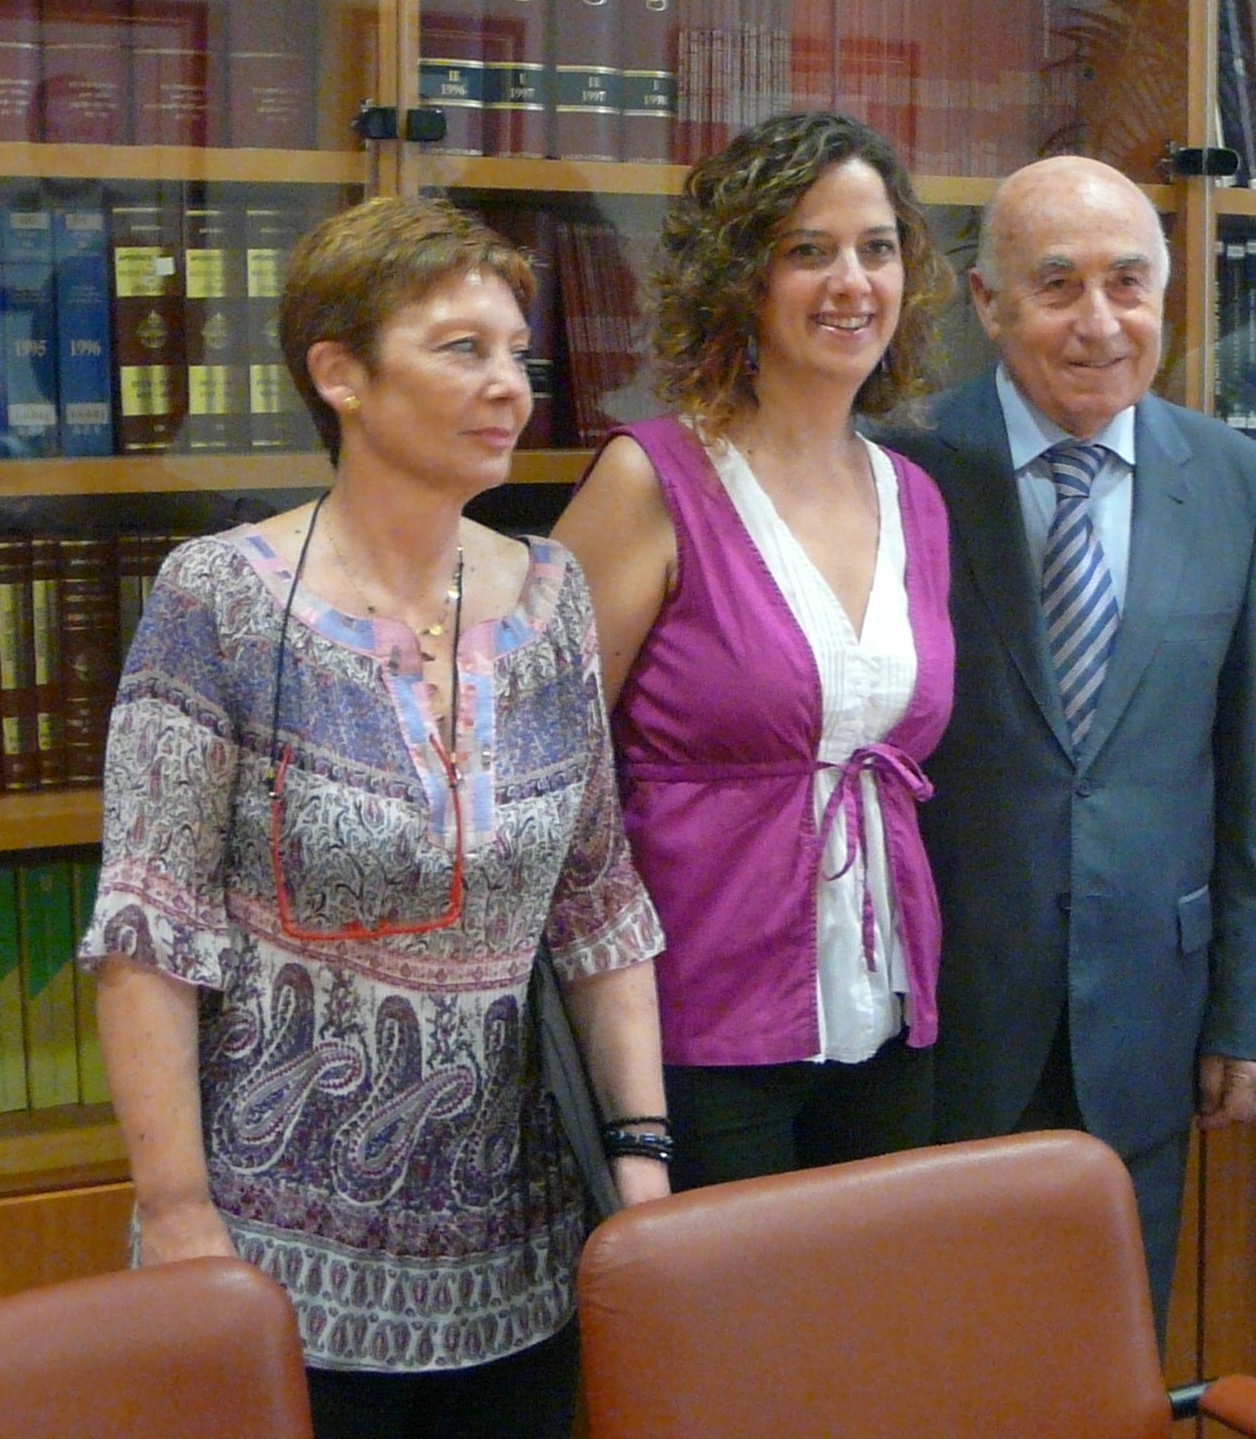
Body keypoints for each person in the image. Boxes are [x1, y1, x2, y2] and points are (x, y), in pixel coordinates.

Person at [83, 196, 671, 1439]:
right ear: (339, 374)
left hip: (519, 1249)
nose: (507, 385)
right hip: (272, 1250)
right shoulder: (220, 599)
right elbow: (148, 927)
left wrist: (643, 1159)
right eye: (462, 351)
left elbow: (600, 905)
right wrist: (179, 1212)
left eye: (518, 352)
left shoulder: (553, 596)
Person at [881, 153, 1256, 1330]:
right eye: (1057, 284)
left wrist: (1245, 1011)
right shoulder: (899, 468)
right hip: (944, 999)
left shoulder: (1239, 485)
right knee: (936, 1346)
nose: (1098, 322)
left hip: (1152, 1012)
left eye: (1129, 283)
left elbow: (1253, 772)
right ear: (986, 302)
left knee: (1108, 1339)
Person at [552, 111, 957, 1190]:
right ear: (740, 275)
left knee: (866, 1341)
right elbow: (540, 760)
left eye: (877, 248)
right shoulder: (651, 480)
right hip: (699, 1016)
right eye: (807, 251)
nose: (852, 282)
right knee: (734, 1349)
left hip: (885, 1006)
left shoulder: (913, 497)